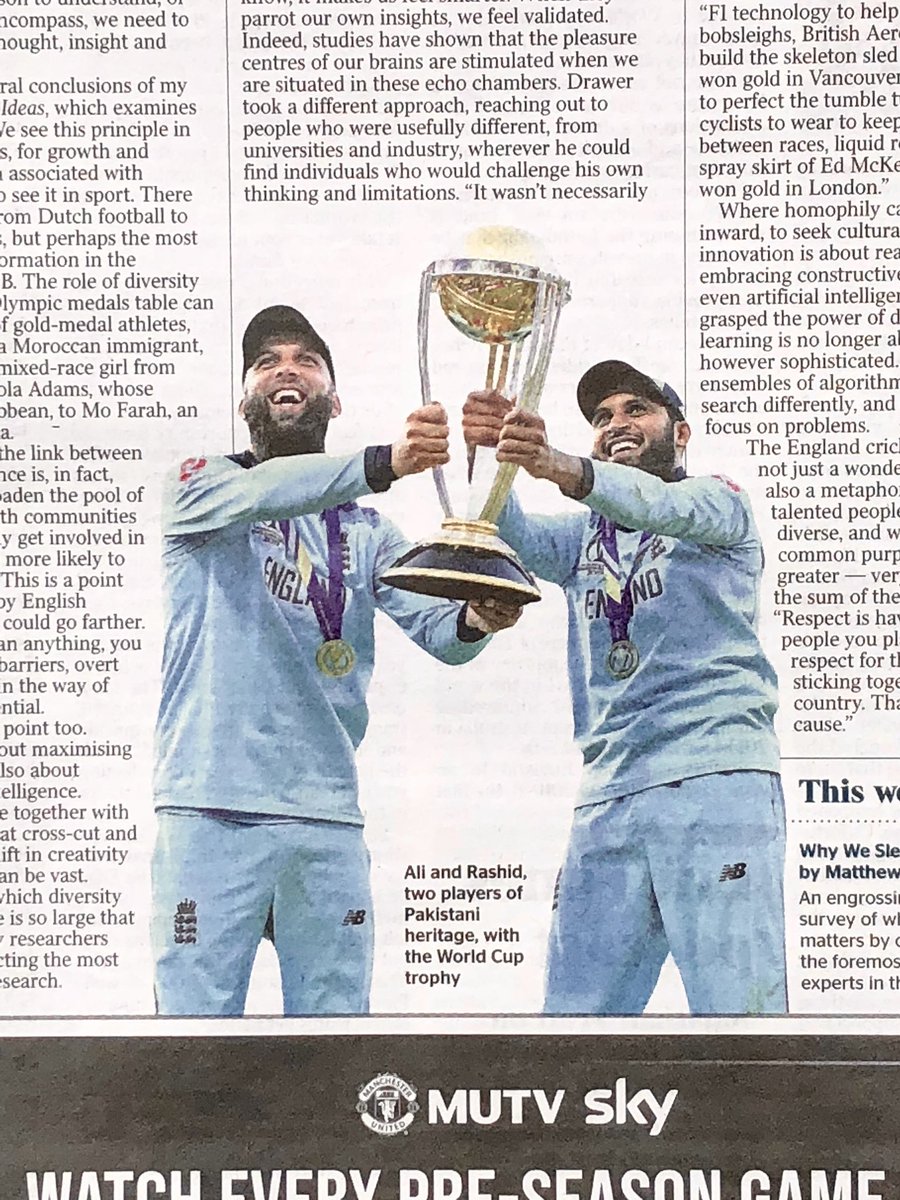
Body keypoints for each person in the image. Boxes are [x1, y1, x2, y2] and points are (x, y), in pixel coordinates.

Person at [152, 304, 520, 1016]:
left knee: (335, 1046)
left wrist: (479, 616)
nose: (286, 368)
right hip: (209, 809)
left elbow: (444, 637)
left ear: (333, 398)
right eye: (267, 362)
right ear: (246, 400)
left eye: (306, 360)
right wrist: (385, 462)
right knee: (189, 1046)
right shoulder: (201, 485)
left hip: (325, 818)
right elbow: (269, 490)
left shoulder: (368, 530)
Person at [463, 360, 786, 1015]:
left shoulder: (718, 502)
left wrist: (560, 468)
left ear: (681, 431)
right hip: (607, 798)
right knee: (571, 1031)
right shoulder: (586, 534)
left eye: (636, 408)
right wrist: (488, 453)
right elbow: (507, 535)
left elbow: (656, 503)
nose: (616, 424)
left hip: (714, 780)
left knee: (739, 1018)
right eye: (602, 417)